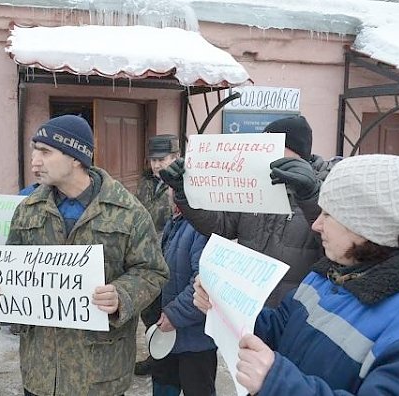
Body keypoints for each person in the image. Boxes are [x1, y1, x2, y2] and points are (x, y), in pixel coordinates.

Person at [193, 154, 399, 395]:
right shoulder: (330, 273)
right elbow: (279, 327)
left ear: (367, 227)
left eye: (328, 214)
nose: (316, 225)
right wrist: (223, 303)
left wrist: (278, 384)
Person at [0, 114, 169, 396]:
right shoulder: (28, 209)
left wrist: (121, 295)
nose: (35, 160)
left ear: (76, 157)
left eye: (45, 151)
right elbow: (13, 273)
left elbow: (152, 271)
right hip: (42, 372)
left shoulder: (128, 211)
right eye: (34, 150)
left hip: (99, 373)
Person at [161, 115, 337, 308]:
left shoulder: (328, 191)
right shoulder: (257, 183)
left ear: (299, 155)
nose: (267, 158)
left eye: (274, 148)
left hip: (294, 311)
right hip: (248, 308)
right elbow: (222, 225)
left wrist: (310, 197)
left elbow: (336, 252)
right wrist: (185, 193)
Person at [151, 188, 216, 396]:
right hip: (167, 337)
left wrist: (173, 315)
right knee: (163, 387)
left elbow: (205, 282)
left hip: (196, 342)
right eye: (172, 186)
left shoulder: (203, 227)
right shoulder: (176, 220)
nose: (173, 192)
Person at [134, 133, 180, 376]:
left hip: (173, 259)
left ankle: (171, 360)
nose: (157, 165)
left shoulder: (185, 185)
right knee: (149, 311)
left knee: (170, 312)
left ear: (177, 157)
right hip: (148, 258)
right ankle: (157, 356)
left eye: (163, 159)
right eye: (153, 160)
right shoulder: (146, 183)